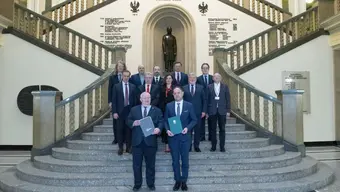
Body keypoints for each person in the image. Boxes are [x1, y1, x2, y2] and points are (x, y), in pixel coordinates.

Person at [127, 92, 163, 191]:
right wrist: (133, 123)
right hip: (137, 142)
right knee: (136, 165)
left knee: (150, 165)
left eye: (148, 98)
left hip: (150, 142)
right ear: (140, 99)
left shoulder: (156, 110)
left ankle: (150, 184)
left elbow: (161, 121)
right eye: (145, 98)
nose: (147, 99)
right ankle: (137, 184)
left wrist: (158, 129)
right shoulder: (134, 110)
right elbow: (128, 120)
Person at [164, 87, 197, 191]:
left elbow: (194, 120)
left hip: (185, 138)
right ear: (173, 95)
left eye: (178, 93)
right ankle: (177, 180)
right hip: (173, 138)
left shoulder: (189, 105)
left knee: (185, 161)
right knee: (175, 161)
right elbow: (165, 121)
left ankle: (184, 181)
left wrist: (187, 128)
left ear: (182, 93)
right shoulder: (169, 106)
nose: (177, 94)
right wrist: (167, 130)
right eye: (174, 93)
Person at [112, 70, 137, 155]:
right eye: (124, 76)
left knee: (129, 131)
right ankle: (120, 148)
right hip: (120, 112)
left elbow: (135, 101)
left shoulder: (133, 86)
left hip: (129, 112)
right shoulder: (116, 86)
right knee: (119, 130)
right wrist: (114, 112)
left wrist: (134, 112)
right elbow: (114, 101)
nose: (126, 78)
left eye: (127, 76)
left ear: (129, 77)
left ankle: (128, 148)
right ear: (122, 76)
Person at [183, 73, 207, 152]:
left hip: (198, 113)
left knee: (197, 130)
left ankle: (196, 146)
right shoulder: (184, 88)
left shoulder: (201, 87)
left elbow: (204, 100)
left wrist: (204, 111)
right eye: (190, 77)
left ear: (196, 79)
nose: (192, 79)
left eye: (193, 77)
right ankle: (188, 146)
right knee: (188, 130)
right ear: (188, 79)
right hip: (187, 114)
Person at [207, 73, 231, 152]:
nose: (217, 78)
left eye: (218, 77)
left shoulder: (225, 86)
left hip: (222, 111)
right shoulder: (209, 87)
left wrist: (228, 110)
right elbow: (207, 100)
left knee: (222, 129)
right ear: (213, 78)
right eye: (215, 77)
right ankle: (213, 146)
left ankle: (222, 147)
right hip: (212, 111)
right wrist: (207, 111)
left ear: (220, 78)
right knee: (212, 129)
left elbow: (228, 99)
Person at [108, 61, 126, 144]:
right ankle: (116, 139)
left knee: (124, 122)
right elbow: (109, 90)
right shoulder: (112, 77)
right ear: (117, 67)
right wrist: (110, 101)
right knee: (115, 122)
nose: (120, 67)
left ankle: (124, 138)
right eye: (119, 66)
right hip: (115, 102)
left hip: (125, 102)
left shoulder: (126, 77)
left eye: (122, 66)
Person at [197, 63, 213, 141]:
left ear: (208, 69)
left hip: (211, 102)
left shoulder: (212, 78)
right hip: (201, 102)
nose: (205, 69)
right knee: (202, 121)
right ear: (201, 69)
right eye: (203, 68)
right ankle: (202, 136)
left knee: (211, 121)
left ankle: (211, 136)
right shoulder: (198, 79)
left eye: (206, 68)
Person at [159, 74, 175, 152]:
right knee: (166, 127)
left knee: (174, 127)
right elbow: (160, 99)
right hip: (164, 109)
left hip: (173, 110)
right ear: (165, 80)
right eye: (167, 78)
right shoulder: (162, 88)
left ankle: (174, 145)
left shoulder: (175, 88)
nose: (168, 79)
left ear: (172, 79)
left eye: (170, 78)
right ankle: (167, 146)